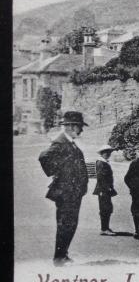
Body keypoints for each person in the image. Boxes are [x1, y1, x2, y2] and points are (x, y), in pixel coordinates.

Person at [38, 111, 90, 265]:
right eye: (80, 127)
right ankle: (59, 258)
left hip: (73, 193)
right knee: (66, 224)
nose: (81, 130)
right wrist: (57, 173)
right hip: (66, 192)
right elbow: (44, 157)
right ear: (72, 127)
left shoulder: (69, 142)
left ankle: (63, 255)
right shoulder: (60, 142)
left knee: (70, 224)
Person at [93, 145, 117, 235]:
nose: (108, 154)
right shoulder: (101, 163)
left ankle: (106, 227)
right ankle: (104, 229)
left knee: (107, 209)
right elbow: (101, 178)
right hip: (103, 190)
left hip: (106, 189)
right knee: (104, 209)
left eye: (109, 152)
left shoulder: (104, 162)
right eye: (106, 153)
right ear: (102, 153)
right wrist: (106, 189)